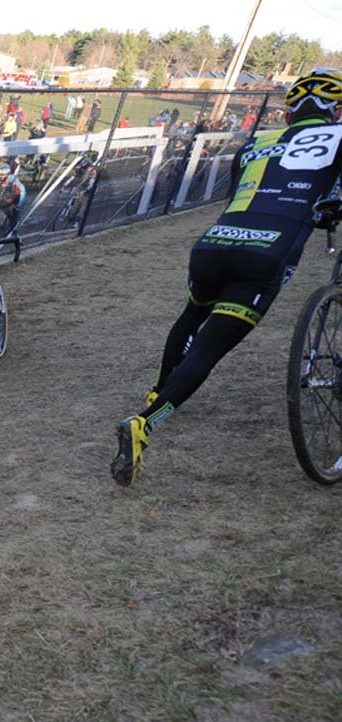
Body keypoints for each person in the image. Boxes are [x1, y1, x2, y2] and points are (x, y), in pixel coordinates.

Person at [111, 69, 342, 487]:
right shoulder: (338, 136)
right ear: (336, 111)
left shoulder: (258, 140)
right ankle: (145, 423)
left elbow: (240, 191)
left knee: (191, 316)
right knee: (209, 349)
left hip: (214, 245)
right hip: (266, 255)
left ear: (289, 116)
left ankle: (158, 389)